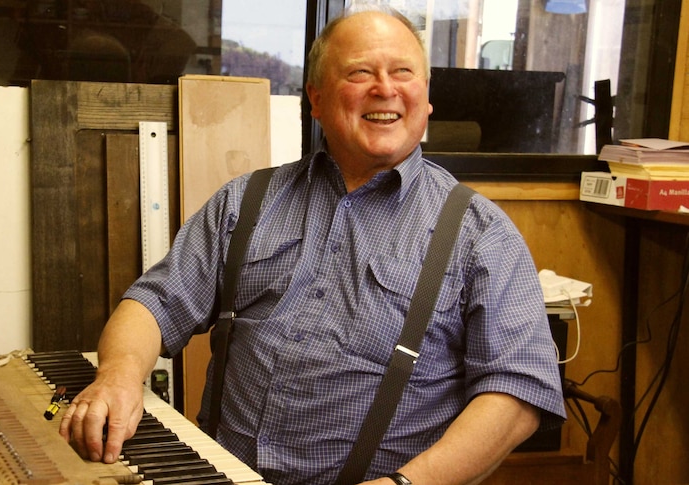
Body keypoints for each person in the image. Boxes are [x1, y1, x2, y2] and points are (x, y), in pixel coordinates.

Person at [59, 5, 566, 485]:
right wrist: (118, 377)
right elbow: (155, 302)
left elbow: (519, 392)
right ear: (317, 100)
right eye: (359, 73)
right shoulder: (246, 201)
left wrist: (407, 483)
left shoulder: (480, 234)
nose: (384, 89)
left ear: (427, 98)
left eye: (403, 73)